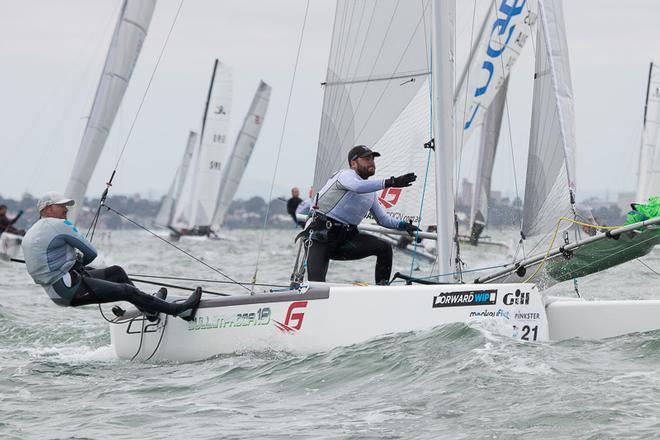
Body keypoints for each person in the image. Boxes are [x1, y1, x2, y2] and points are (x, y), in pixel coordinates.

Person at [21, 191, 201, 320]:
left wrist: (76, 265)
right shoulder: (58, 225)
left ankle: (150, 310)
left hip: (58, 290)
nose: (66, 210)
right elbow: (91, 253)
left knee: (116, 272)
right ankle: (179, 311)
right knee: (126, 291)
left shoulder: (30, 233)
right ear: (47, 210)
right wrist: (79, 263)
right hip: (68, 289)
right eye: (61, 206)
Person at [305, 145, 419, 285]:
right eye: (366, 158)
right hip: (320, 236)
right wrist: (392, 182)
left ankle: (382, 290)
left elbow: (383, 219)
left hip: (346, 239)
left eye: (372, 158)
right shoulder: (345, 175)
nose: (371, 162)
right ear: (353, 163)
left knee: (384, 248)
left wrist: (404, 225)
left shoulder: (370, 192)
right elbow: (357, 187)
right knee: (317, 285)